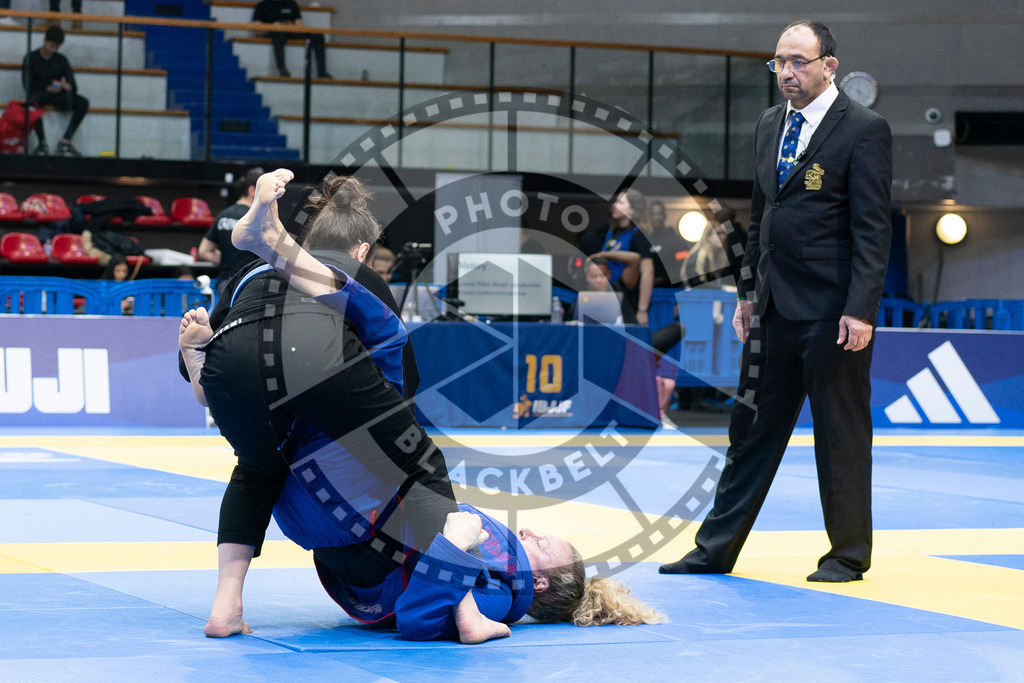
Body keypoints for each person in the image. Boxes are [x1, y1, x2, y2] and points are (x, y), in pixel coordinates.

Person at [179, 169, 664, 640]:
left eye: (541, 543)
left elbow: (205, 392)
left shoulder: (509, 576)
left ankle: (230, 601)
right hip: (344, 531)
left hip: (235, 367)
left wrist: (201, 362)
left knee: (261, 468)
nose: (532, 530)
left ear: (540, 581)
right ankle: (232, 608)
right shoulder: (362, 272)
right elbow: (400, 396)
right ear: (363, 251)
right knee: (419, 458)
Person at [660, 20, 892, 583]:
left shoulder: (863, 129)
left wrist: (860, 309)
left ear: (828, 64)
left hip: (832, 313)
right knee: (749, 432)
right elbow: (760, 218)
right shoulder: (770, 125)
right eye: (779, 63)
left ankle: (847, 554)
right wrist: (746, 294)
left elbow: (871, 228)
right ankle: (714, 549)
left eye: (798, 62)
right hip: (771, 310)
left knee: (839, 436)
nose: (786, 73)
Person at [589, 189, 654, 326]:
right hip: (610, 297)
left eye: (621, 202)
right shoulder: (613, 233)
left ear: (633, 210)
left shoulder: (639, 234)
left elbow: (648, 272)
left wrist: (642, 310)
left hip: (628, 298)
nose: (615, 205)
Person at [21, 25, 89, 157]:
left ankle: (66, 141)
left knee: (82, 103)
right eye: (51, 45)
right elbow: (27, 85)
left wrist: (60, 85)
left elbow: (73, 86)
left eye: (56, 47)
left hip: (57, 94)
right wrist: (46, 87)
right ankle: (42, 142)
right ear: (44, 40)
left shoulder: (61, 59)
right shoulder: (31, 58)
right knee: (31, 103)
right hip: (39, 94)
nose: (53, 49)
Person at [198, 168, 263, 298]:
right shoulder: (257, 217)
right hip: (249, 284)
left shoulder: (223, 215)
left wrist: (228, 261)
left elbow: (203, 251)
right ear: (252, 191)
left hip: (225, 284)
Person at [252, 0, 331, 79]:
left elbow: (299, 24)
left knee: (318, 36)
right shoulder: (262, 5)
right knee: (278, 33)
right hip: (273, 32)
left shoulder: (291, 3)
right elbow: (256, 28)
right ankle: (283, 70)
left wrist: (291, 25)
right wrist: (273, 26)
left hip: (291, 31)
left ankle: (322, 73)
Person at [643, 200, 689, 289]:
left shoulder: (677, 241)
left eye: (659, 214)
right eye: (654, 214)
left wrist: (662, 280)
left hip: (670, 289)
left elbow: (684, 268)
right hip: (648, 289)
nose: (657, 217)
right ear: (649, 216)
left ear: (664, 216)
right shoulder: (644, 240)